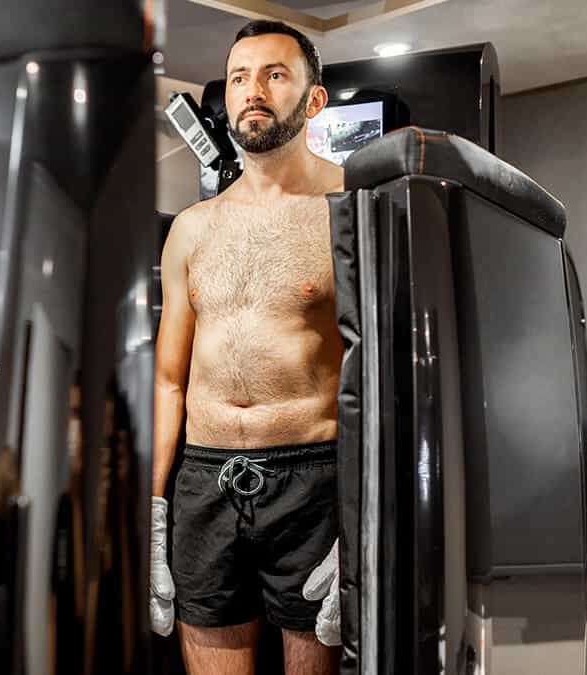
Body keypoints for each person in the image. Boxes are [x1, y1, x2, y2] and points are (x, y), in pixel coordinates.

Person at [150, 20, 344, 675]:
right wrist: (153, 510)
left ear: (314, 100)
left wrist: (364, 517)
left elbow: (380, 373)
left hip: (312, 482)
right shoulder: (191, 229)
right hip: (203, 483)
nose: (251, 90)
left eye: (274, 74)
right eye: (238, 77)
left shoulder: (352, 207)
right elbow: (168, 381)